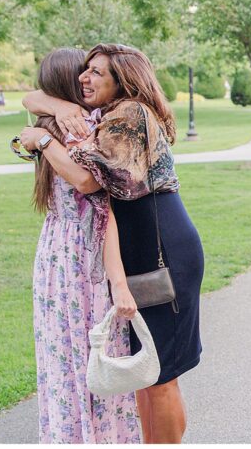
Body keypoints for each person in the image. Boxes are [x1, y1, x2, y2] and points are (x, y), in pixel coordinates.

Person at [21, 43, 204, 444]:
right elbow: (32, 97)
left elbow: (88, 181)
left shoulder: (129, 115)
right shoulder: (105, 116)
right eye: (84, 70)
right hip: (137, 251)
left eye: (97, 73)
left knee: (159, 374)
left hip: (162, 251)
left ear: (122, 82)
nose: (85, 77)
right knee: (141, 371)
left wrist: (41, 138)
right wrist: (48, 107)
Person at [19, 48, 140, 443]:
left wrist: (45, 116)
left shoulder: (44, 127)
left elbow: (31, 98)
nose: (90, 79)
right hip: (85, 253)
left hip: (54, 254)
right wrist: (119, 283)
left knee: (62, 359)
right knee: (96, 357)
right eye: (84, 73)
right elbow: (99, 200)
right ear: (73, 82)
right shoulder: (80, 125)